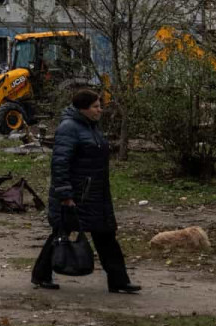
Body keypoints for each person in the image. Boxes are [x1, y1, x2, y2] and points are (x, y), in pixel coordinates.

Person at [33, 89, 138, 294]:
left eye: (100, 106)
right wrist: (65, 195)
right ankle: (41, 274)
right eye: (96, 106)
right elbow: (60, 163)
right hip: (77, 195)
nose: (101, 110)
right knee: (61, 233)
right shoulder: (69, 128)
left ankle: (119, 280)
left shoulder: (91, 127)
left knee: (106, 235)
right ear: (83, 109)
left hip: (95, 194)